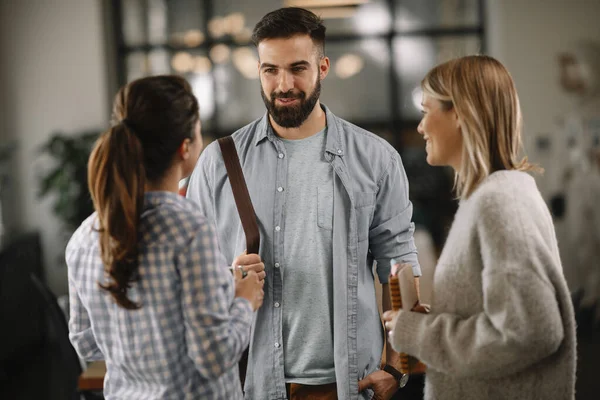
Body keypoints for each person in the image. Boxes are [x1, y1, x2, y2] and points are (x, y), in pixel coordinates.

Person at [186, 7, 419, 400]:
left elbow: (399, 266)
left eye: (298, 68)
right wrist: (229, 282)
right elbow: (191, 279)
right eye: (270, 70)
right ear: (258, 70)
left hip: (347, 385)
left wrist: (396, 367)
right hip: (249, 385)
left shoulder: (376, 159)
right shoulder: (217, 163)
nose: (283, 84)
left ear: (323, 67)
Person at [383, 55, 577, 400]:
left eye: (427, 111)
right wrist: (437, 319)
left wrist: (418, 332)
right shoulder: (489, 196)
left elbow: (532, 332)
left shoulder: (499, 201)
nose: (421, 127)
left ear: (460, 113)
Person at [66, 75, 266, 399]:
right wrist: (244, 299)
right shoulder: (188, 230)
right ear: (185, 147)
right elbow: (214, 358)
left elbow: (87, 344)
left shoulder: (83, 238)